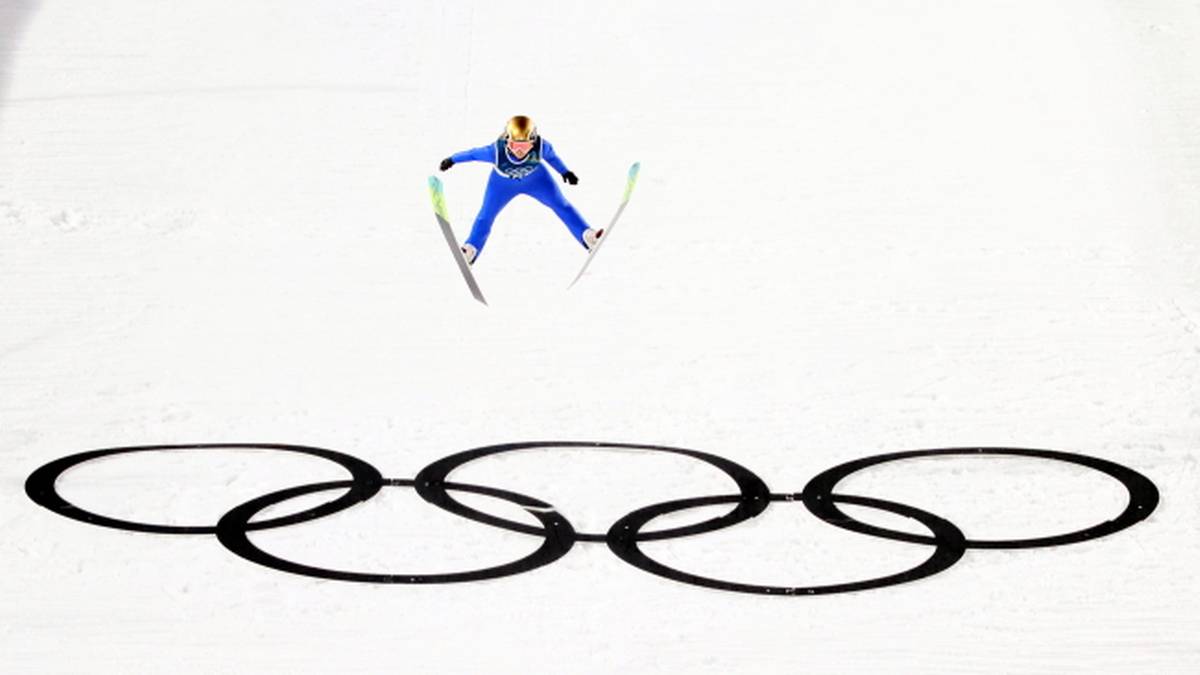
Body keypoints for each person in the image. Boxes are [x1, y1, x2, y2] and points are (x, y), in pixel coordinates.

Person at [439, 115, 602, 265]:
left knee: (562, 205)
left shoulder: (541, 147)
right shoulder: (496, 151)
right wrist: (452, 160)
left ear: (533, 141)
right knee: (485, 216)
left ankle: (587, 236)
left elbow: (552, 158)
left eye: (524, 146)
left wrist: (565, 172)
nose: (518, 151)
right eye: (514, 145)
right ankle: (471, 249)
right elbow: (473, 154)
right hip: (502, 184)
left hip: (537, 180)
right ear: (506, 140)